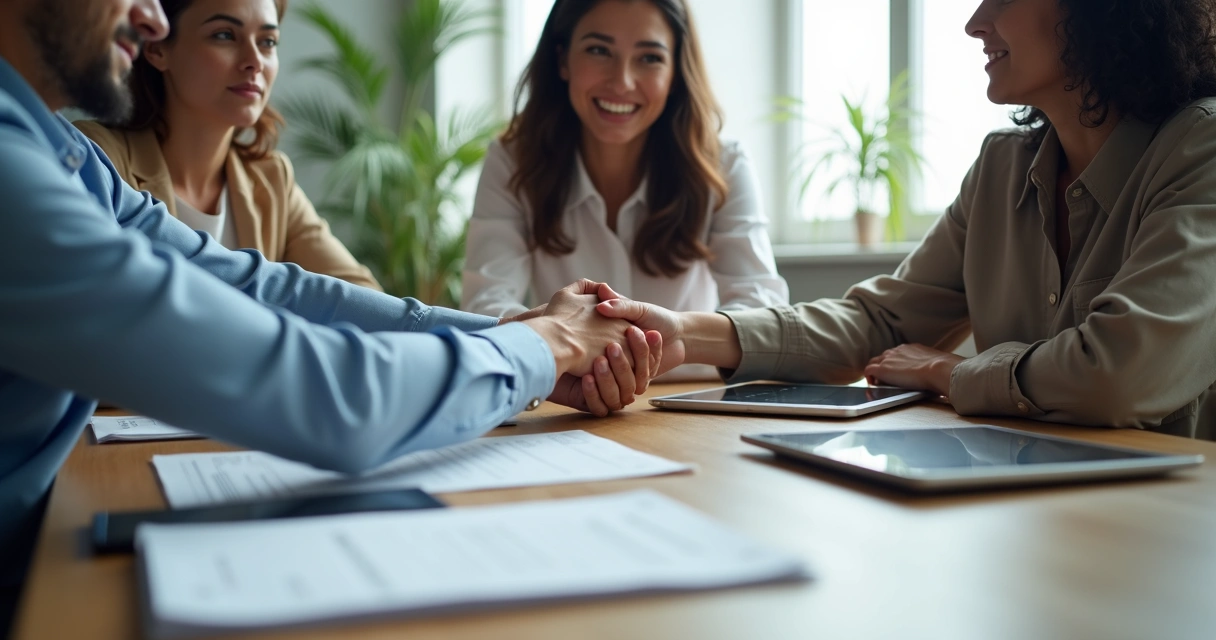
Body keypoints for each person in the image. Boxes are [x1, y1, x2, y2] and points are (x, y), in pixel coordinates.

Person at [0, 0, 660, 631]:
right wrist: (542, 346)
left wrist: (514, 337)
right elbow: (330, 397)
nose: (150, 18)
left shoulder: (64, 154)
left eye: (268, 38)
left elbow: (262, 287)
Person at [595, 0, 1216, 440]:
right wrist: (680, 334)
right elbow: (881, 323)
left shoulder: (1201, 152)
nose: (975, 22)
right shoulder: (1003, 167)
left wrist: (953, 372)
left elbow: (1119, 375)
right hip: (1035, 517)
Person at [461, 0, 789, 377]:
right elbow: (485, 309)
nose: (622, 82)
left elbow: (760, 315)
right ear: (563, 60)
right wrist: (567, 349)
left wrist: (668, 342)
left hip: (691, 403)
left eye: (649, 58)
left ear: (675, 73)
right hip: (565, 405)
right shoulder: (513, 161)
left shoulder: (724, 165)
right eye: (599, 50)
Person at [75, 0, 380, 290]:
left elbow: (361, 294)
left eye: (268, 41)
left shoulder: (271, 180)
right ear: (157, 48)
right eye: (224, 35)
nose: (254, 62)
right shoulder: (98, 157)